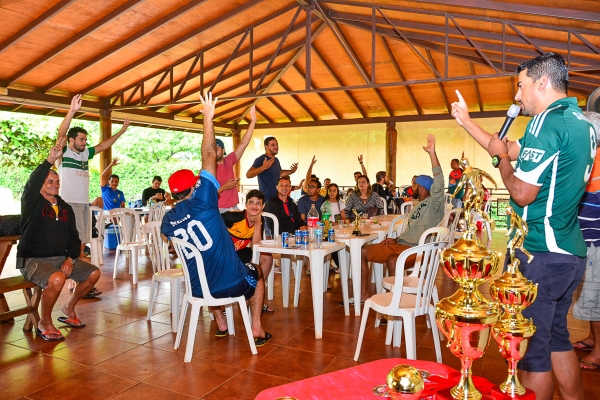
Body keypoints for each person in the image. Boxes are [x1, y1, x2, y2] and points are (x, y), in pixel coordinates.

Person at [451, 52, 594, 400]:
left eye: (521, 85)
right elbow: (507, 147)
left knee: (532, 354)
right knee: (557, 339)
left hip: (541, 253)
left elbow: (521, 191)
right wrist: (467, 122)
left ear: (542, 83)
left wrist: (501, 160)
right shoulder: (580, 122)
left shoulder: (545, 123)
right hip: (570, 252)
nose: (517, 95)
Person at [161, 92, 271, 346]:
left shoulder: (168, 220)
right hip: (227, 284)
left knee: (208, 265)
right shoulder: (205, 201)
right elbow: (209, 156)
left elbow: (172, 242)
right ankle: (256, 328)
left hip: (197, 289)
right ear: (195, 187)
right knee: (256, 272)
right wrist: (208, 118)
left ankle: (221, 323)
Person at [16, 137, 100, 341]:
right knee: (57, 278)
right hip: (33, 260)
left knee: (93, 273)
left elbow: (74, 238)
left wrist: (70, 258)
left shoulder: (65, 208)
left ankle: (69, 307)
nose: (55, 185)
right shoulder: (32, 203)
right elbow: (31, 184)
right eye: (50, 181)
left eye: (57, 181)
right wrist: (49, 160)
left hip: (61, 259)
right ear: (41, 185)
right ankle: (45, 322)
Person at [357, 135, 444, 304]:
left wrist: (432, 153)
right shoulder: (417, 205)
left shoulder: (434, 204)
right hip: (401, 244)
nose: (412, 188)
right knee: (361, 252)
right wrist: (395, 239)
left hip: (419, 249)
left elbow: (439, 182)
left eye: (414, 185)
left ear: (421, 187)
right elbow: (412, 231)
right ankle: (363, 296)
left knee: (393, 260)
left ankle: (394, 303)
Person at [56, 94, 129, 258]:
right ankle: (73, 267)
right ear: (71, 140)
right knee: (75, 239)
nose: (84, 142)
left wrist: (121, 131)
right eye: (81, 139)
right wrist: (72, 111)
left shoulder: (84, 154)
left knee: (83, 240)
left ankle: (78, 266)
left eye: (85, 140)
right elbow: (61, 133)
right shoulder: (63, 152)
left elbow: (103, 146)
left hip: (84, 202)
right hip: (69, 201)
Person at [572, 111, 600, 370]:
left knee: (594, 297)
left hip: (595, 240)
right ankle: (593, 338)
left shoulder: (596, 161)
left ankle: (598, 352)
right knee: (590, 293)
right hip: (588, 239)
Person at [222, 189, 274, 313]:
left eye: (258, 203)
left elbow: (256, 247)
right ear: (246, 205)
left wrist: (257, 224)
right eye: (251, 202)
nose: (254, 206)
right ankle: (224, 305)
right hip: (224, 254)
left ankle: (252, 296)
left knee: (267, 257)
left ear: (263, 206)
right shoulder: (233, 217)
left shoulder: (260, 220)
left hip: (239, 252)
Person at [217, 106, 257, 213]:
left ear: (223, 150)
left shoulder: (228, 160)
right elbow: (206, 195)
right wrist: (225, 186)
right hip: (218, 209)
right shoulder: (208, 168)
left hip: (234, 207)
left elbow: (243, 144)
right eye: (212, 148)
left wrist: (253, 121)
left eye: (217, 148)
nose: (215, 151)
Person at [246, 136, 298, 201]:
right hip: (266, 199)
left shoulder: (276, 160)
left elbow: (279, 173)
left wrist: (292, 171)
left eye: (277, 144)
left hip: (277, 197)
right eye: (273, 145)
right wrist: (263, 167)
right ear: (266, 147)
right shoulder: (261, 159)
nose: (276, 147)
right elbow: (248, 174)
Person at [298, 156, 326, 221]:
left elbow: (325, 217)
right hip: (307, 226)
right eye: (308, 186)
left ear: (318, 190)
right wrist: (311, 165)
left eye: (312, 187)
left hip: (320, 226)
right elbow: (301, 219)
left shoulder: (322, 200)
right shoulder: (302, 200)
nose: (309, 189)